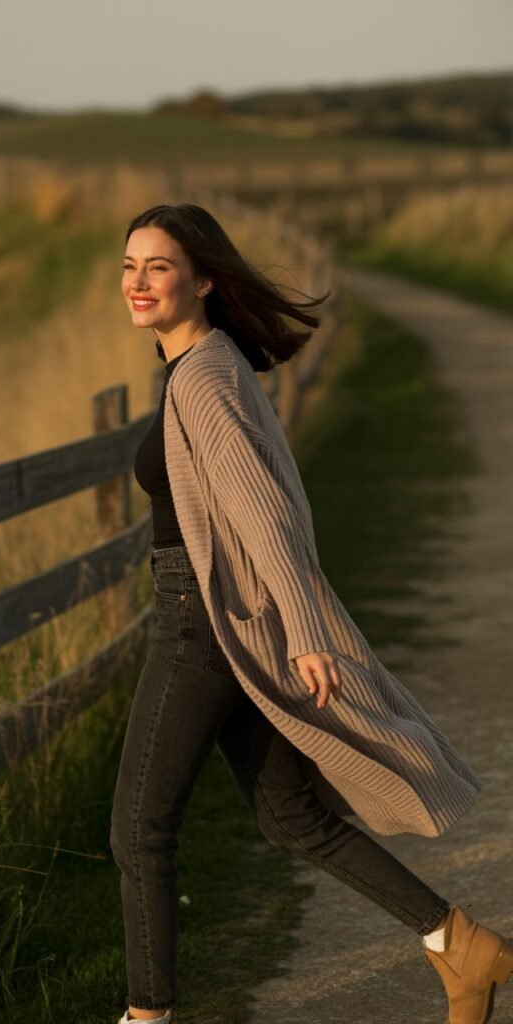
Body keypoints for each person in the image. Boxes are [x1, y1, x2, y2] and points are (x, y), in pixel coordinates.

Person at [109, 203, 512, 1024]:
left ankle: (148, 1016)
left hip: (202, 619)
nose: (139, 282)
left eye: (158, 266)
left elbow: (264, 513)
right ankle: (457, 944)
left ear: (204, 279)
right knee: (292, 815)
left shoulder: (202, 379)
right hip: (218, 613)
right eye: (129, 266)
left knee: (138, 826)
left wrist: (304, 628)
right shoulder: (207, 365)